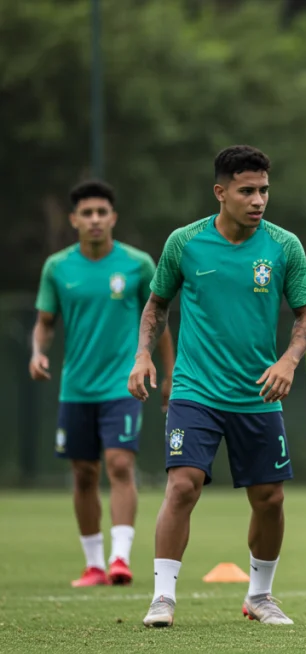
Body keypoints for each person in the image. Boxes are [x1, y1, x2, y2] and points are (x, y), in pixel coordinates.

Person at [128, 145, 306, 628]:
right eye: (247, 191)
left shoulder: (283, 246)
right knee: (183, 486)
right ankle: (163, 598)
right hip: (195, 392)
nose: (258, 200)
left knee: (270, 498)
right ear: (220, 192)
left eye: (264, 191)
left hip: (257, 394)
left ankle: (259, 596)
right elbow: (156, 306)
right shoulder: (184, 243)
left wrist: (289, 361)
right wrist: (142, 355)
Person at [32, 180, 176, 588]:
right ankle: (94, 564)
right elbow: (44, 325)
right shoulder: (58, 268)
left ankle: (120, 559)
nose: (95, 219)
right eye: (87, 213)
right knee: (82, 472)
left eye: (102, 212)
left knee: (119, 463)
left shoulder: (137, 264)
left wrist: (169, 373)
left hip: (123, 384)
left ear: (113, 217)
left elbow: (158, 321)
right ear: (74, 219)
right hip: (76, 387)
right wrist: (37, 352)